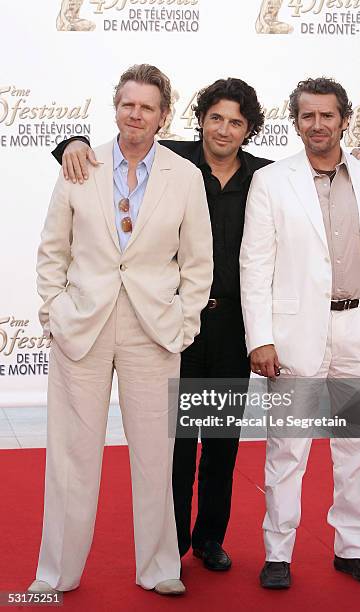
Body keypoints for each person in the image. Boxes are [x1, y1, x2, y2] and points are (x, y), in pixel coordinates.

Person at [51, 77, 360, 573]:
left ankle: (209, 540)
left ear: (249, 128)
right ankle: (174, 547)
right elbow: (121, 145)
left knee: (221, 443)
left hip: (232, 327)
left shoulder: (266, 177)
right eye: (215, 118)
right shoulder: (174, 163)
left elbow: (323, 165)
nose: (224, 129)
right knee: (177, 443)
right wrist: (71, 144)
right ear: (199, 119)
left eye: (236, 121)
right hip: (170, 323)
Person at [28, 64, 213, 596]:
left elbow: (199, 262)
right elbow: (52, 250)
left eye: (147, 106)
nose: (136, 114)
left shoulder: (185, 175)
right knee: (70, 455)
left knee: (156, 454)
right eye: (127, 104)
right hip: (82, 326)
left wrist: (182, 324)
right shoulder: (80, 164)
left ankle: (159, 569)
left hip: (152, 329)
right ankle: (55, 572)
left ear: (163, 116)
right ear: (116, 107)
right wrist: (54, 313)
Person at [240, 77, 360, 589]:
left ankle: (353, 547)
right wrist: (260, 338)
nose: (317, 124)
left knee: (357, 447)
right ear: (296, 122)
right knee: (287, 447)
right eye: (307, 116)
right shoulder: (272, 180)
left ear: (344, 119)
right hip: (295, 335)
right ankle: (278, 552)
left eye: (327, 115)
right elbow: (255, 263)